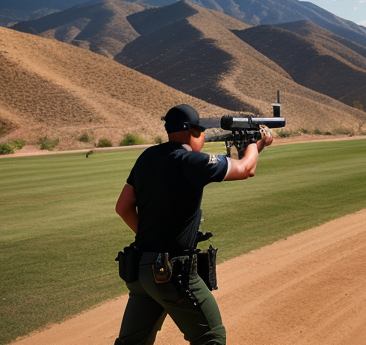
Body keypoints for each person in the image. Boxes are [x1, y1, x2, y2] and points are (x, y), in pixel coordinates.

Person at [114, 104, 273, 345]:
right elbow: (246, 168)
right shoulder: (190, 160)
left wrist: (154, 241)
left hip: (142, 269)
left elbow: (123, 207)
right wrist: (252, 141)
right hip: (171, 272)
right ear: (194, 132)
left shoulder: (148, 157)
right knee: (211, 338)